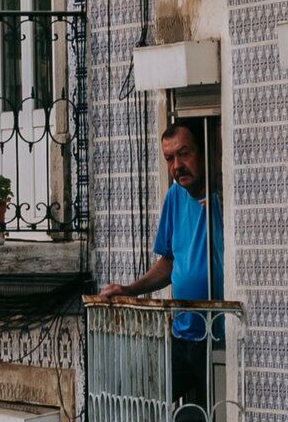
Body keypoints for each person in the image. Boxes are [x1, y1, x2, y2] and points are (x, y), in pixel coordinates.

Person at [99, 121, 222, 407]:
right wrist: (130, 290)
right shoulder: (175, 196)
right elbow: (169, 261)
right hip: (182, 335)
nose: (177, 166)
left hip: (217, 337)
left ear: (204, 153)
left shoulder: (224, 198)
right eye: (169, 158)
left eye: (184, 154)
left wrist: (221, 206)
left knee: (217, 411)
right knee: (144, 402)